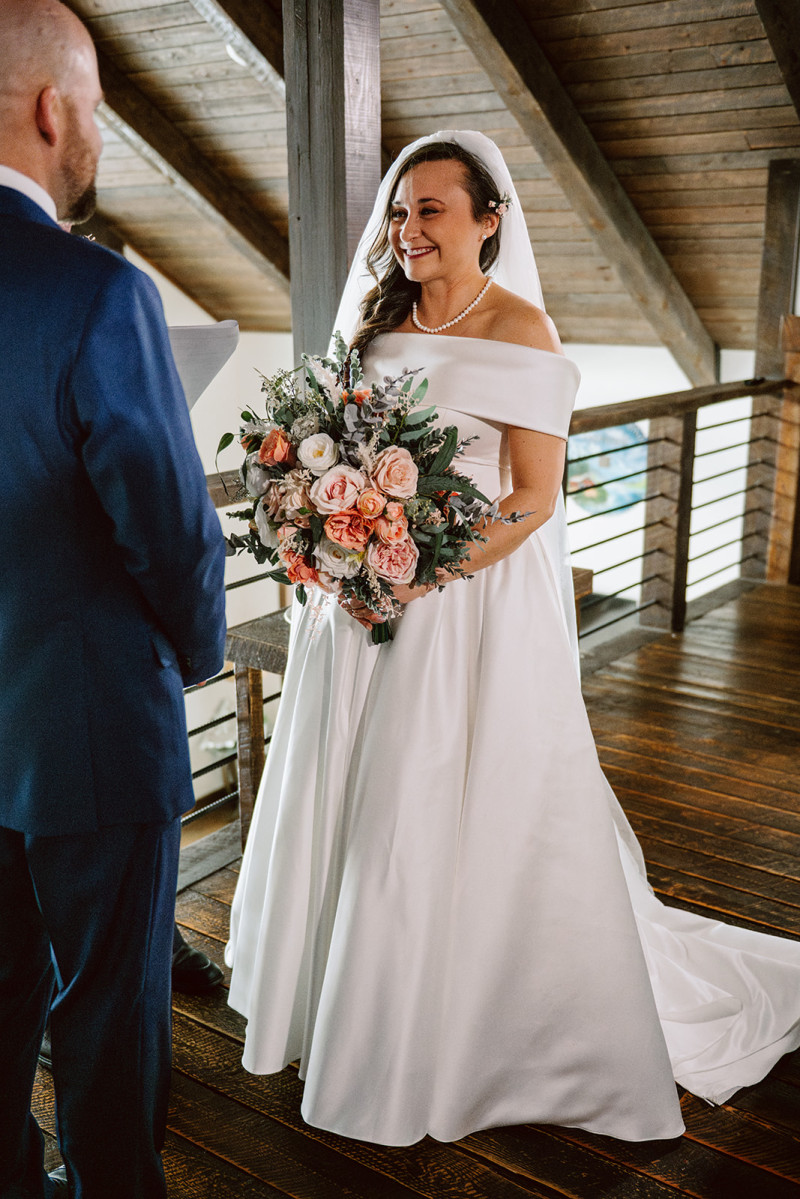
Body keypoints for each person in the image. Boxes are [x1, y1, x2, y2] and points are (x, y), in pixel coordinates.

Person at [225, 130, 800, 1147]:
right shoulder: (373, 327)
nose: (407, 232)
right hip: (355, 612)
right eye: (399, 213)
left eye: (431, 211)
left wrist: (410, 573)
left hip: (459, 607)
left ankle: (444, 1028)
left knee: (433, 792)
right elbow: (329, 460)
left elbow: (532, 499)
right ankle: (336, 999)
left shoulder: (522, 332)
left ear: (489, 220)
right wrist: (331, 546)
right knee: (352, 792)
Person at [0, 1, 227, 1195]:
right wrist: (191, 656)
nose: (94, 135)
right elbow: (171, 528)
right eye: (93, 110)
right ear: (53, 111)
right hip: (89, 719)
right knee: (105, 1008)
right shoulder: (98, 291)